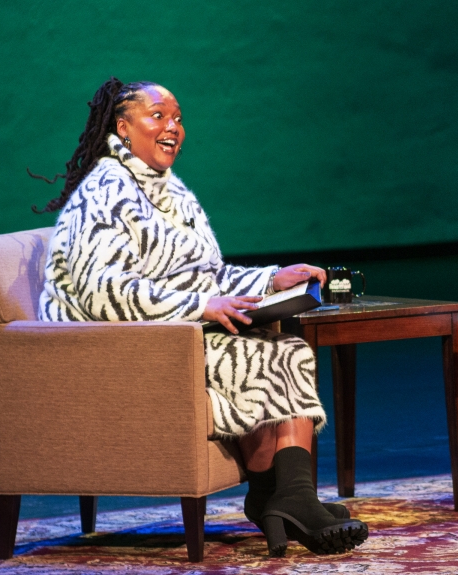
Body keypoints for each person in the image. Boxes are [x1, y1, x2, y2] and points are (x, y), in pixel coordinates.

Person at [32, 78, 368, 556]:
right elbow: (101, 291)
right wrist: (198, 306)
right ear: (123, 127)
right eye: (158, 116)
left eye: (178, 118)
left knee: (285, 349)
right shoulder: (105, 190)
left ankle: (287, 497)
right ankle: (279, 498)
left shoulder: (171, 192)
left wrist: (273, 280)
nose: (173, 127)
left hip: (173, 332)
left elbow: (208, 275)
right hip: (112, 351)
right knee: (263, 356)